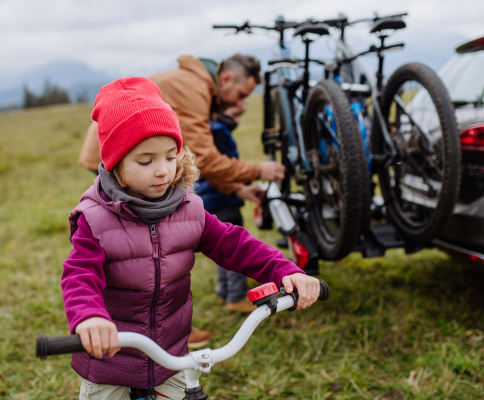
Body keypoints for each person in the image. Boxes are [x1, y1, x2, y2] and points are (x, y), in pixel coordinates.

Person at [63, 77, 322, 400]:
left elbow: (236, 244)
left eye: (170, 157)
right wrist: (89, 317)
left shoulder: (189, 209)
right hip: (110, 362)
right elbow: (79, 275)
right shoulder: (96, 219)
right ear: (116, 166)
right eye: (146, 161)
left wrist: (286, 271)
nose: (162, 171)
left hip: (169, 359)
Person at [78, 54, 287, 347]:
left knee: (153, 248)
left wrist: (238, 190)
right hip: (119, 150)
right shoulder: (196, 89)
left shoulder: (197, 86)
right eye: (241, 95)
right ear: (226, 79)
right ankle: (151, 333)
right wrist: (256, 171)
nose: (239, 104)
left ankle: (165, 330)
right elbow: (207, 158)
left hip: (135, 156)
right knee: (142, 251)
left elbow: (187, 161)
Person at [198, 102, 255, 312]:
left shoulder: (209, 130)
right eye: (233, 113)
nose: (236, 120)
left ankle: (224, 292)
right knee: (236, 249)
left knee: (221, 248)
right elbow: (225, 169)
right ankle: (237, 297)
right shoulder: (218, 132)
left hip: (209, 198)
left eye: (240, 115)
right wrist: (242, 184)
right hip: (222, 198)